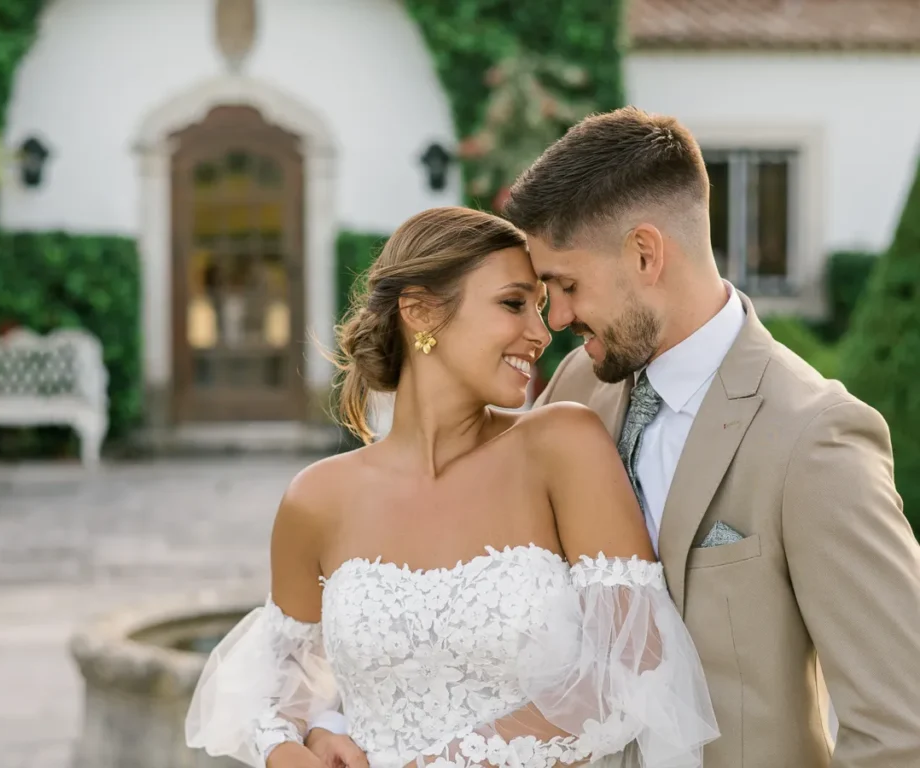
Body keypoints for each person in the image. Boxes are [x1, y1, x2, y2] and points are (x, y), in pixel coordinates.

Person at [307, 107, 920, 767]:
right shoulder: (577, 388)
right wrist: (324, 717)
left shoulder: (815, 437)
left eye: (566, 286)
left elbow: (900, 727)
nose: (557, 319)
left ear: (645, 253)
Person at [185, 206, 720, 768]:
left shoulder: (562, 445)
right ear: (419, 312)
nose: (542, 333)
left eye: (541, 307)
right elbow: (284, 677)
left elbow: (633, 665)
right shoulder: (316, 499)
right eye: (514, 303)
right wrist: (297, 741)